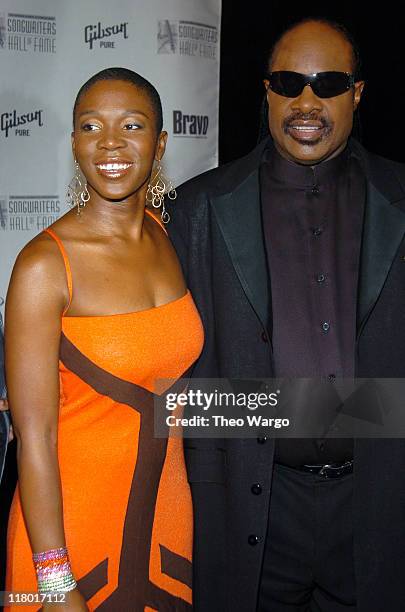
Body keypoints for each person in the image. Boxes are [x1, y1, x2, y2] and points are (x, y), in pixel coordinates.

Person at [168, 17, 405, 612]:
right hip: (249, 515)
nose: (307, 101)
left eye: (327, 83)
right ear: (266, 91)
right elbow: (178, 387)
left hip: (381, 507)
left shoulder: (401, 198)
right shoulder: (199, 207)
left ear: (356, 94)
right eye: (288, 82)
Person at [5, 67, 203, 611]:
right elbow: (36, 436)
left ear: (160, 143)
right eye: (91, 127)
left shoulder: (165, 238)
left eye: (132, 125)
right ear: (74, 144)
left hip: (167, 523)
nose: (110, 143)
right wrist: (53, 579)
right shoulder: (45, 266)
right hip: (72, 539)